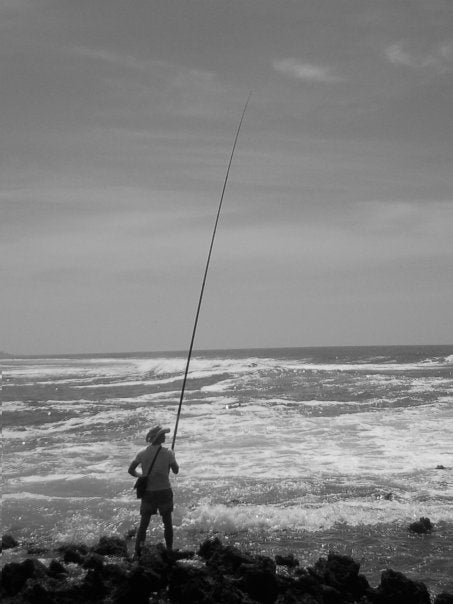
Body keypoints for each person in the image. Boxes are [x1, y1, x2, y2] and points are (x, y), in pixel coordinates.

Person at [128, 425, 179, 557]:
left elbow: (131, 470)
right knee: (167, 523)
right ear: (158, 437)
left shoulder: (142, 453)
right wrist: (172, 459)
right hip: (164, 491)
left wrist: (142, 476)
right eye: (162, 435)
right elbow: (176, 470)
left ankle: (137, 552)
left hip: (148, 492)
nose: (164, 436)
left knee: (144, 524)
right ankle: (169, 550)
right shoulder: (168, 453)